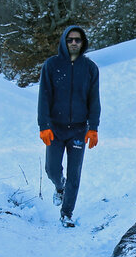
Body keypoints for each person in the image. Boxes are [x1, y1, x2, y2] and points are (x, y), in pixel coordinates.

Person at [36, 25, 100, 227]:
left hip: (79, 130)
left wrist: (93, 127)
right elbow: (44, 97)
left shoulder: (90, 68)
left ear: (83, 43)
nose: (74, 43)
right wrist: (44, 124)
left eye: (77, 40)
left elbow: (94, 99)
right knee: (52, 169)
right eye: (70, 39)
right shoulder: (51, 65)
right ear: (64, 41)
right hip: (55, 128)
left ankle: (67, 213)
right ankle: (59, 186)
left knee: (75, 173)